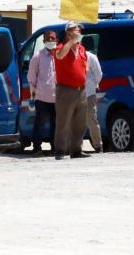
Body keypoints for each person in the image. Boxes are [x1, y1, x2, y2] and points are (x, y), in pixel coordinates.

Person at [54, 22, 90, 159]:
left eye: (80, 30)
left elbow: (85, 64)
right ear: (69, 32)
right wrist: (71, 42)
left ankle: (76, 150)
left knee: (80, 123)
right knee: (63, 122)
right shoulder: (61, 47)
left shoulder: (81, 48)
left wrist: (84, 74)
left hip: (81, 90)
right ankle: (60, 151)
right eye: (77, 30)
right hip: (65, 90)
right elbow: (59, 56)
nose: (80, 33)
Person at [27, 30, 57, 155]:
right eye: (48, 39)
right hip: (41, 97)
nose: (50, 41)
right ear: (44, 41)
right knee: (39, 124)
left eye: (52, 38)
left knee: (55, 125)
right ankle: (37, 148)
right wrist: (33, 94)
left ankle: (55, 148)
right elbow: (31, 77)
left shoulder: (60, 55)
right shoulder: (38, 56)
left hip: (57, 97)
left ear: (57, 40)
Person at [85, 39, 104, 152]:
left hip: (89, 92)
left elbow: (99, 74)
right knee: (76, 121)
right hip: (75, 93)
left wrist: (92, 84)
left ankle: (98, 145)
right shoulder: (72, 56)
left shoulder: (91, 57)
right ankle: (76, 146)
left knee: (92, 119)